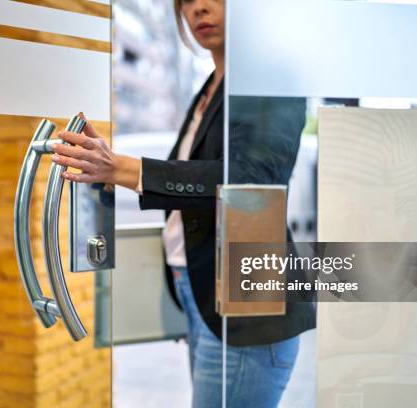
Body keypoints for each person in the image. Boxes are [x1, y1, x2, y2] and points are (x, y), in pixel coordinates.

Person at [51, 0, 315, 406]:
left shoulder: (270, 78)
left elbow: (253, 180)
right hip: (203, 296)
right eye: (187, 1)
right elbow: (185, 183)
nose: (199, 9)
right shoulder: (211, 88)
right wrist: (104, 164)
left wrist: (118, 167)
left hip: (246, 311)